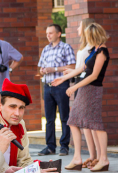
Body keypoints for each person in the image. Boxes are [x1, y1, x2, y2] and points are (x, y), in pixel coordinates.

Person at [51, 23, 110, 172]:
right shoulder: (93, 50)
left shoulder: (102, 51)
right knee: (73, 121)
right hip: (85, 89)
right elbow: (81, 69)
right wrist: (63, 79)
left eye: (88, 36)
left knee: (95, 123)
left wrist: (75, 87)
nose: (86, 38)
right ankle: (78, 158)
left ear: (94, 35)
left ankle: (103, 159)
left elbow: (94, 75)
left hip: (92, 90)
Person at [63, 18, 99, 169]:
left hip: (82, 86)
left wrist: (66, 74)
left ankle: (86, 157)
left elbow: (81, 70)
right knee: (87, 125)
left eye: (79, 26)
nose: (77, 29)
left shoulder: (86, 50)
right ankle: (93, 156)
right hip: (85, 85)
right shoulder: (91, 48)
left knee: (78, 122)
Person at [38, 24, 76, 157]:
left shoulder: (66, 47)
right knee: (49, 119)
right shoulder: (46, 49)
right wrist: (43, 70)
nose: (48, 35)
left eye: (51, 33)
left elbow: (73, 66)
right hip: (47, 86)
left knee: (64, 117)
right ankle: (50, 147)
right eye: (47, 33)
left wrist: (54, 69)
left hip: (61, 85)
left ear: (58, 34)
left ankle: (64, 146)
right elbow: (41, 68)